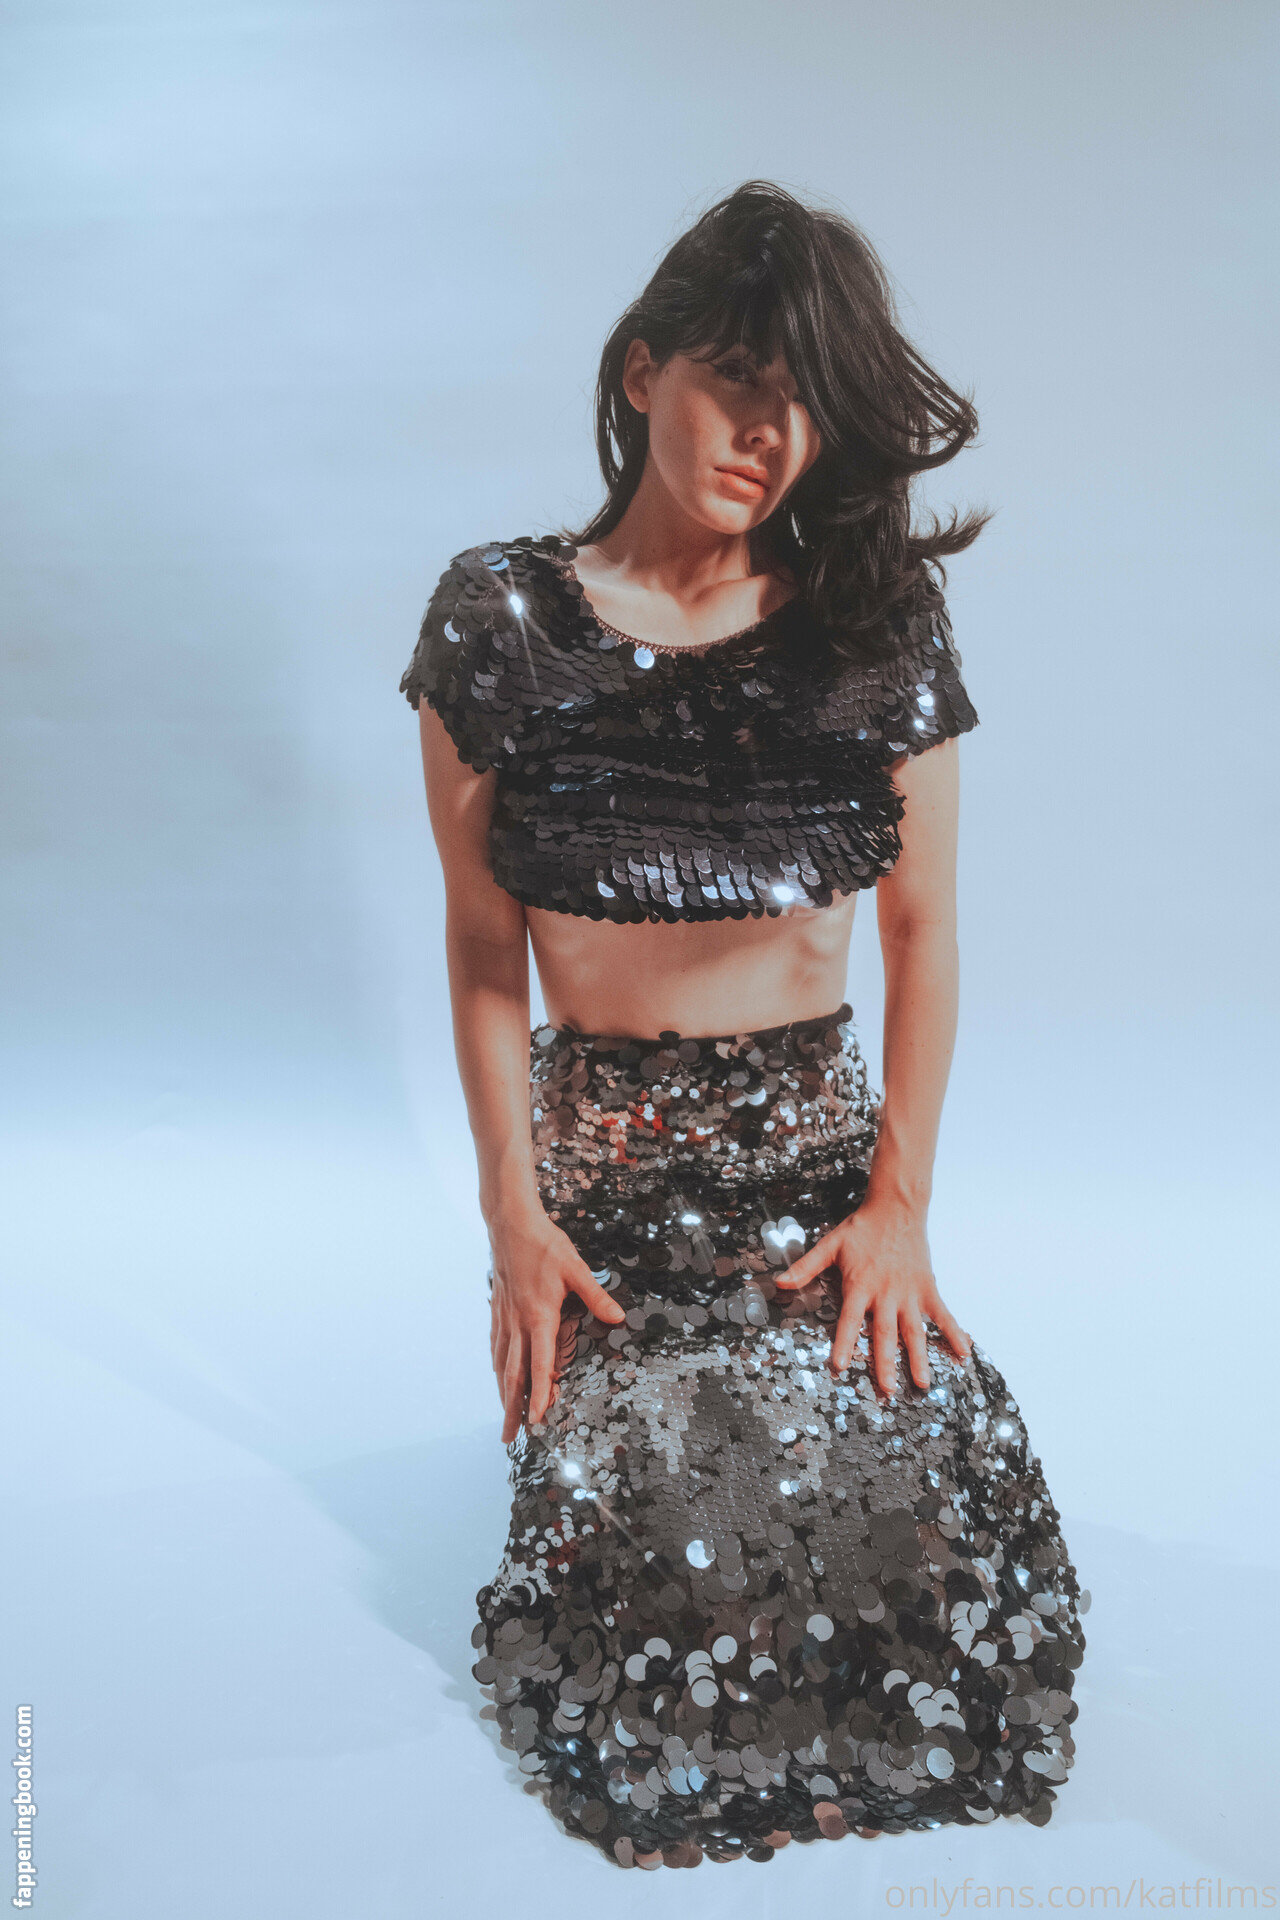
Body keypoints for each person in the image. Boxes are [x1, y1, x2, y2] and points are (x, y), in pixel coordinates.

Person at [401, 180, 1087, 1871]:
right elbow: (484, 946)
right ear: (644, 372)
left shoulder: (872, 626)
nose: (771, 437)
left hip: (815, 1192)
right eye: (739, 383)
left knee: (934, 1587)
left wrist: (899, 1210)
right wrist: (515, 1225)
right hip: (609, 1202)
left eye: (807, 405)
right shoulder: (500, 622)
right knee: (680, 1610)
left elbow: (921, 930)